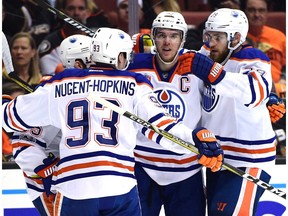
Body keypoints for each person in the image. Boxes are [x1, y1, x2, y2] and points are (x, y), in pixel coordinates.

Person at [3, 27, 223, 216]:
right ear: (119, 57)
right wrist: (196, 142)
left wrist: (6, 105)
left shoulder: (61, 83)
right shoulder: (135, 83)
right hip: (119, 186)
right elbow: (162, 130)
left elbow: (11, 119)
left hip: (74, 186)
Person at [180, 8, 276, 215]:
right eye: (208, 35)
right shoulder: (207, 54)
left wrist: (217, 75)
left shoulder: (251, 56)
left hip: (249, 160)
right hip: (219, 158)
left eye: (218, 37)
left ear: (236, 38)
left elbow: (258, 90)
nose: (210, 42)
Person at [128, 11, 207, 216]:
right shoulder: (135, 66)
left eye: (173, 36)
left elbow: (226, 85)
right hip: (143, 166)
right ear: (152, 37)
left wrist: (267, 96)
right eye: (161, 35)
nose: (166, 42)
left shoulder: (197, 65)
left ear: (182, 39)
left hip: (186, 171)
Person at [8, 34, 92, 216]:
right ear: (78, 63)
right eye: (91, 61)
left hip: (85, 180)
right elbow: (23, 146)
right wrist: (54, 170)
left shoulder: (98, 92)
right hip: (50, 186)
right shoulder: (50, 93)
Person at [38, 0, 111, 75]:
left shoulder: (98, 40)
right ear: (62, 12)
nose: (76, 13)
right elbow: (51, 77)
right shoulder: (51, 43)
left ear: (88, 13)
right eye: (71, 8)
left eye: (81, 8)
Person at [243, 0, 286, 84]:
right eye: (252, 10)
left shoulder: (279, 36)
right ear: (244, 12)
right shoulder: (237, 37)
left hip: (278, 89)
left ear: (267, 13)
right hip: (247, 88)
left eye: (261, 10)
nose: (257, 15)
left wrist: (284, 79)